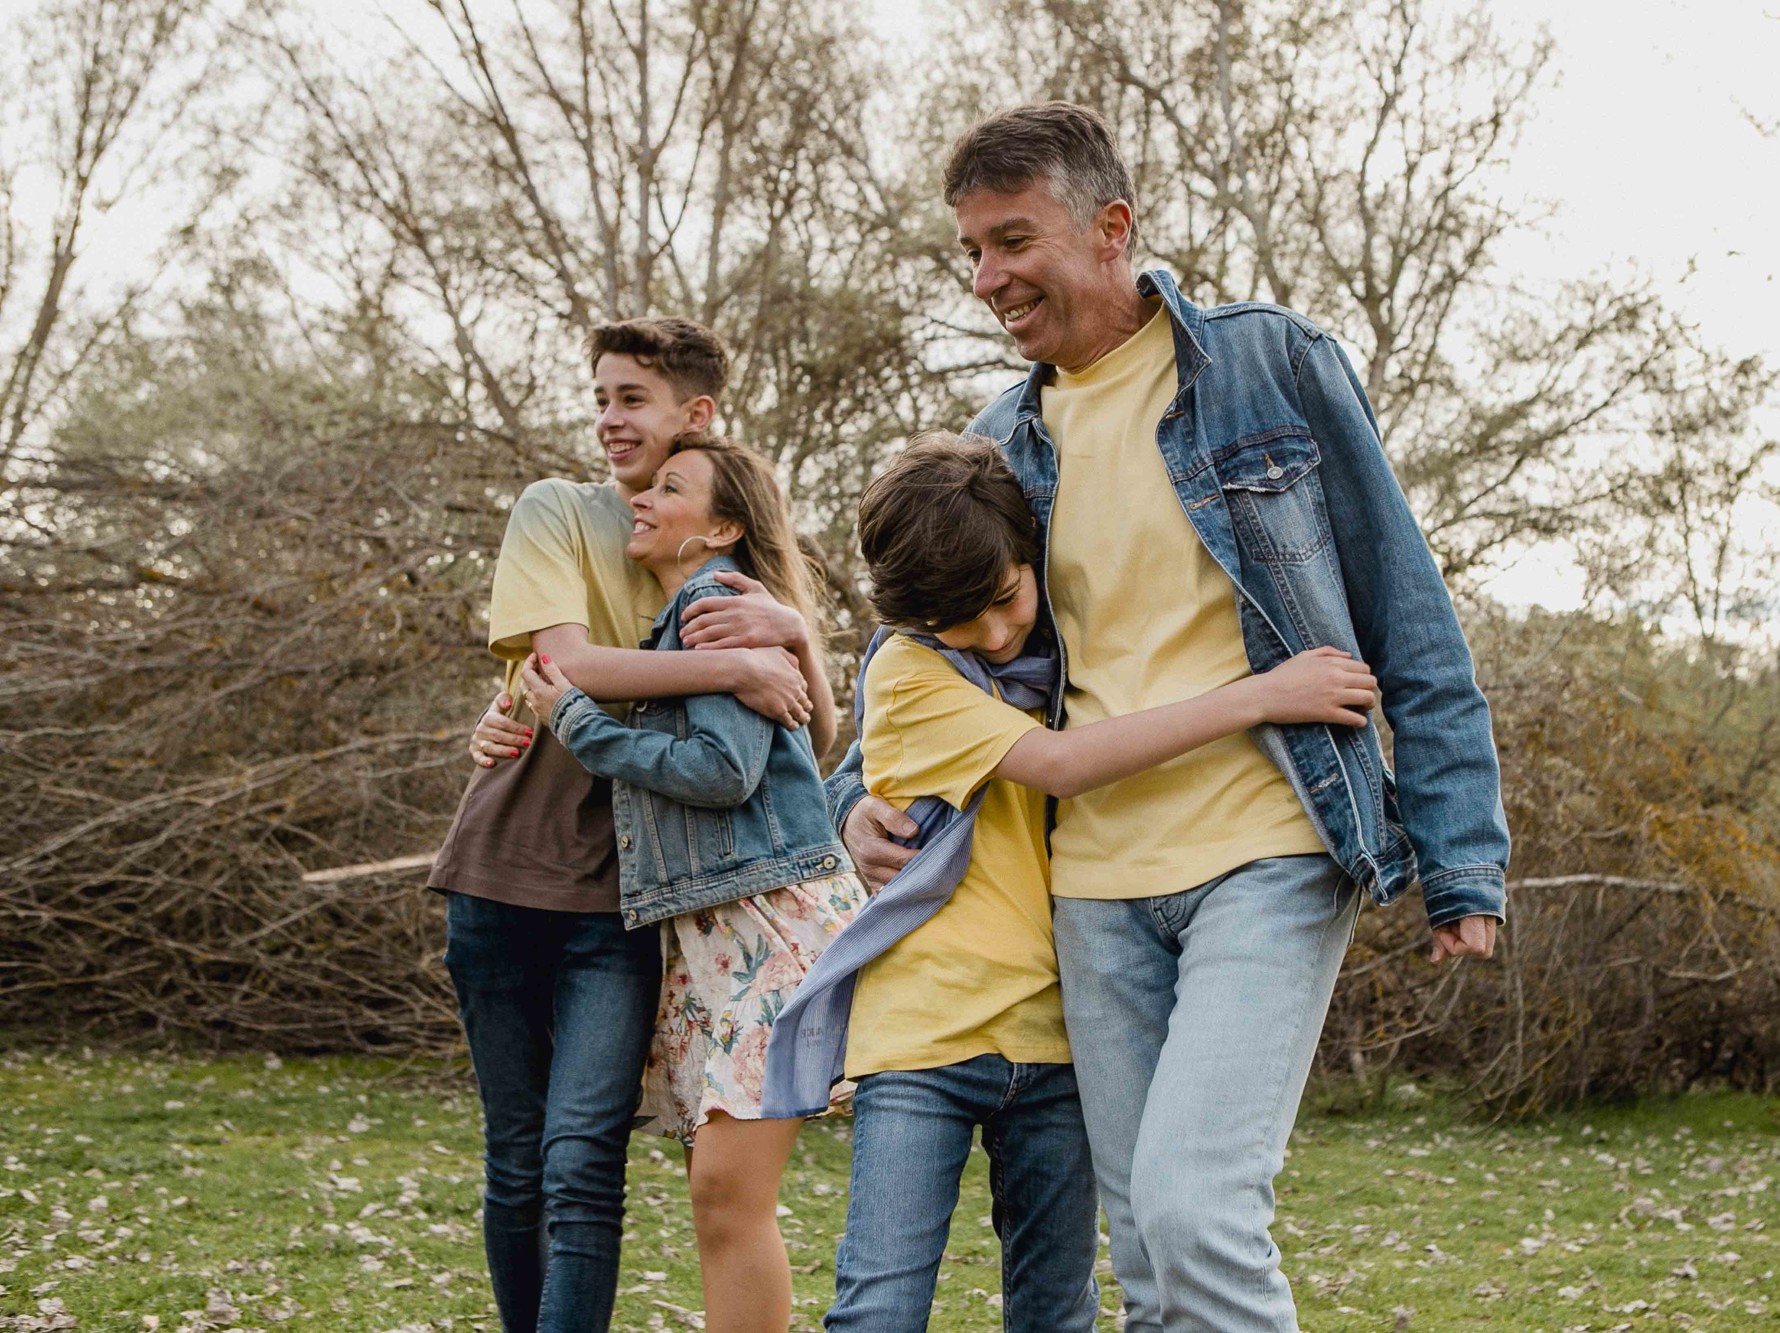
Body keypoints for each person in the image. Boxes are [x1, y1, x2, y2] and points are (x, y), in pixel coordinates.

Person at [826, 104, 1511, 1332]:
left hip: (1269, 842)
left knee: (1197, 1209)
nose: (986, 277)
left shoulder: (1268, 364)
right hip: (1089, 886)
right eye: (972, 250)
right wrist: (855, 800)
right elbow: (912, 656)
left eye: (1011, 240)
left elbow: (1407, 611)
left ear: (1111, 227)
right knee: (1145, 1253)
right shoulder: (999, 441)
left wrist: (1461, 854)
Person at [767, 433, 1382, 1332]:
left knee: (1057, 1312)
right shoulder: (908, 668)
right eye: (960, 622)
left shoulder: (1052, 656)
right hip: (924, 1033)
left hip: (1054, 1038)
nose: (993, 632)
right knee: (880, 1305)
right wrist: (1259, 695)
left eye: (1006, 599)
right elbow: (1061, 766)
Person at [434, 317, 833, 1333]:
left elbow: (810, 734)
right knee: (519, 1159)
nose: (609, 421)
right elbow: (567, 663)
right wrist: (731, 665)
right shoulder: (561, 512)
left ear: (693, 415)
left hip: (629, 899)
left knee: (584, 1162)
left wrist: (789, 637)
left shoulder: (707, 549)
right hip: (509, 860)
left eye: (632, 400)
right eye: (601, 397)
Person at [519, 433, 865, 1333]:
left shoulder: (712, 604)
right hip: (715, 931)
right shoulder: (693, 621)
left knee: (725, 1192)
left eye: (671, 488)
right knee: (719, 1197)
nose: (643, 496)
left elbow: (722, 771)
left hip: (766, 920)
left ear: (719, 528)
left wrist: (579, 723)